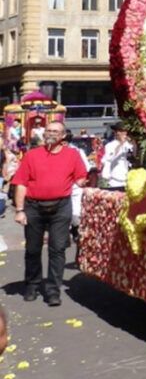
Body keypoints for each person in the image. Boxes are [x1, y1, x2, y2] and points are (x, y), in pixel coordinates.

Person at [10, 120, 88, 307]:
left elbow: (80, 179)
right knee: (32, 249)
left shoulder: (72, 155)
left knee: (58, 249)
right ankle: (32, 285)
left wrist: (87, 180)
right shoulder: (32, 155)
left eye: (55, 131)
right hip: (33, 207)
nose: (51, 134)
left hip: (60, 207)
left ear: (63, 136)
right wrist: (20, 210)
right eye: (48, 131)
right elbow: (21, 183)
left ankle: (53, 290)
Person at [65, 131, 92, 265]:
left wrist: (78, 179)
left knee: (75, 214)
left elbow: (86, 168)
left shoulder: (77, 152)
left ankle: (76, 236)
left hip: (74, 187)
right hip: (60, 189)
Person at [100, 121, 134, 191]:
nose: (124, 133)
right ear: (116, 132)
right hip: (115, 181)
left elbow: (134, 156)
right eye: (121, 131)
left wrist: (133, 142)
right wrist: (121, 143)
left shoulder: (130, 145)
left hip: (128, 179)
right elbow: (110, 157)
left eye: (125, 131)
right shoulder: (110, 145)